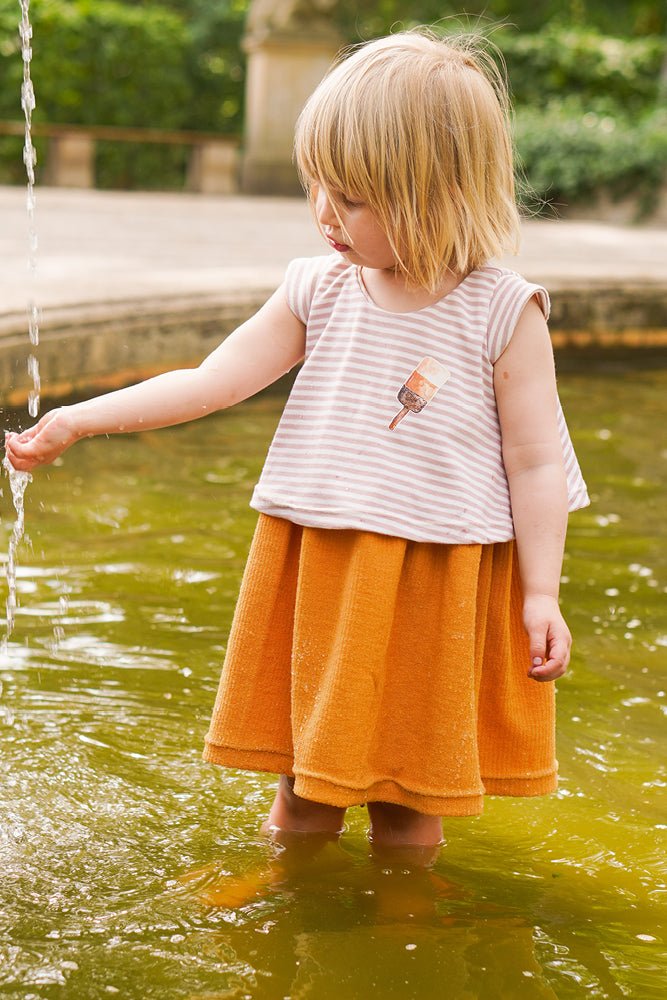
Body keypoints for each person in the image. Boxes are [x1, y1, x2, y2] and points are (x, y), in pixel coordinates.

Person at [5, 29, 589, 855]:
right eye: (318, 183)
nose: (324, 212)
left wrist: (539, 594)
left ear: (439, 194)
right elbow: (215, 379)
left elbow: (533, 461)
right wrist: (78, 418)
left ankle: (402, 926)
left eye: (352, 197)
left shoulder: (501, 311)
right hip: (318, 559)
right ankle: (290, 896)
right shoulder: (318, 288)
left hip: (434, 575)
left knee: (408, 793)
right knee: (303, 780)